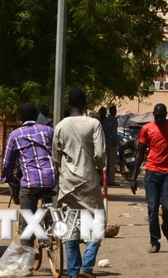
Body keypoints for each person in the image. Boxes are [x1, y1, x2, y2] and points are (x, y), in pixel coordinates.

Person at [53, 89, 106, 278]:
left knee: (71, 224)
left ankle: (74, 272)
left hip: (67, 180)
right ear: (85, 103)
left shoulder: (60, 126)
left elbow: (56, 157)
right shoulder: (94, 124)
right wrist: (98, 168)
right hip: (88, 178)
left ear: (69, 104)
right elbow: (100, 154)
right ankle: (87, 266)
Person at [0, 102, 57, 248]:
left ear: (20, 117)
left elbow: (7, 163)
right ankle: (49, 223)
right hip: (51, 179)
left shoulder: (15, 135)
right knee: (47, 197)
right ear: (37, 116)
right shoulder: (49, 131)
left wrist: (6, 177)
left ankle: (27, 261)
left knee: (27, 220)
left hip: (30, 182)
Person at [131, 104, 168, 252]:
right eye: (156, 116)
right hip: (152, 172)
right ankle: (155, 241)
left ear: (166, 114)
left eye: (160, 116)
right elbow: (140, 153)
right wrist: (134, 177)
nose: (158, 119)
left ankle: (166, 230)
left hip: (167, 173)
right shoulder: (147, 128)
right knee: (152, 209)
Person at [102, 106, 120, 186]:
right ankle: (111, 180)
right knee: (112, 163)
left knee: (105, 163)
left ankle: (103, 179)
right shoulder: (114, 120)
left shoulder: (105, 120)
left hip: (105, 143)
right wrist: (117, 142)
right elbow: (114, 133)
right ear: (115, 111)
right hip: (112, 144)